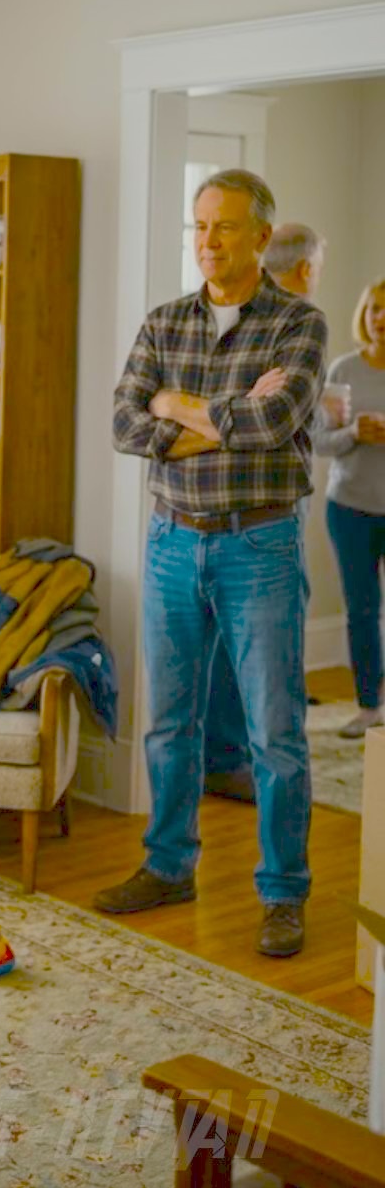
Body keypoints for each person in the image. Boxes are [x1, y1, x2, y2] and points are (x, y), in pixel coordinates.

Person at [99, 170, 325, 958]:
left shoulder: (299, 324)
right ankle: (168, 867)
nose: (208, 242)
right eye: (200, 227)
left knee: (275, 731)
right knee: (167, 722)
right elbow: (125, 423)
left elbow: (274, 420)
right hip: (170, 540)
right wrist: (191, 414)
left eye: (225, 227)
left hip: (258, 543)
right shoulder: (165, 323)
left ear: (262, 236)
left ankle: (283, 893)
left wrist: (178, 404)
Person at [202, 223, 328, 801]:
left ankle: (228, 757)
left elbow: (237, 417)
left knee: (235, 644)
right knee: (271, 654)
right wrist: (248, 409)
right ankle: (236, 761)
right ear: (305, 269)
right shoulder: (291, 323)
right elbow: (267, 424)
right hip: (268, 516)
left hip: (232, 511)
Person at [315, 276, 385, 738]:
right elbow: (320, 441)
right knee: (362, 609)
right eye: (375, 309)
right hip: (351, 510)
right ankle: (367, 705)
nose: (381, 318)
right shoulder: (342, 371)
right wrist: (354, 434)